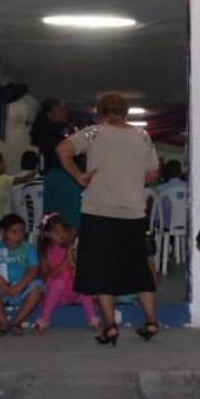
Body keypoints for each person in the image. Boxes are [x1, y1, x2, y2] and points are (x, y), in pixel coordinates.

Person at [58, 92, 160, 346]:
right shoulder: (143, 136)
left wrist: (79, 176)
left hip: (98, 212)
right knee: (139, 267)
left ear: (100, 112)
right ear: (126, 112)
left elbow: (63, 150)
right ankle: (150, 321)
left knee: (101, 270)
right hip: (133, 212)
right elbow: (152, 175)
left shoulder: (94, 132)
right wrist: (129, 177)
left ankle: (110, 326)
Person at [0, 213, 45, 337]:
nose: (19, 235)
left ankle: (17, 322)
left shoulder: (28, 248)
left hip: (22, 286)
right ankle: (4, 323)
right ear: (2, 232)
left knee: (38, 286)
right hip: (0, 287)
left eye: (22, 231)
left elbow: (34, 270)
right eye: (14, 231)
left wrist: (19, 286)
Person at [33, 212, 99, 334]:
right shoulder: (46, 251)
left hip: (73, 293)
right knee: (58, 283)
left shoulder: (69, 247)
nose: (62, 235)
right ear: (47, 234)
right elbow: (48, 276)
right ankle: (44, 320)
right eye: (57, 232)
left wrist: (75, 260)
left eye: (64, 231)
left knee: (83, 283)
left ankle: (93, 319)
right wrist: (66, 261)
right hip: (57, 294)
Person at [31, 98, 84, 233]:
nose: (64, 113)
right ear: (49, 114)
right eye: (59, 110)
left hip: (56, 176)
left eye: (64, 110)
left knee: (56, 218)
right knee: (70, 217)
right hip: (65, 175)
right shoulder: (58, 133)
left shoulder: (55, 132)